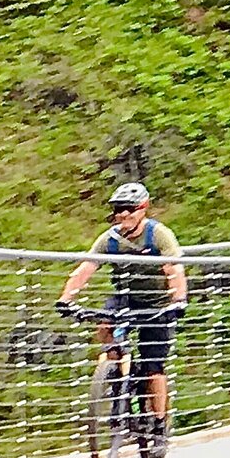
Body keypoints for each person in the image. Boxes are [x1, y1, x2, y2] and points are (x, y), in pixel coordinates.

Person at [56, 181, 188, 430]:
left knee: (154, 368)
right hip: (126, 299)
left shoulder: (158, 234)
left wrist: (178, 300)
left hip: (157, 305)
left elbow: (174, 269)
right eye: (118, 209)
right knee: (104, 324)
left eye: (129, 208)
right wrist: (66, 299)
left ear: (143, 209)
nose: (123, 214)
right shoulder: (110, 239)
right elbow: (86, 268)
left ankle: (159, 425)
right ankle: (117, 376)